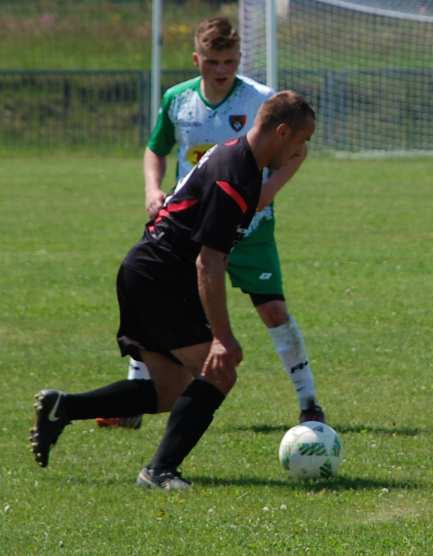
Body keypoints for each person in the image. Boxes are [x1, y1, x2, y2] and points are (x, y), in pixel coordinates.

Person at [29, 91, 316, 490]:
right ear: (283, 132)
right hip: (160, 279)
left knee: (168, 391)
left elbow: (239, 218)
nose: (302, 149)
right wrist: (221, 337)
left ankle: (65, 407)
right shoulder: (234, 174)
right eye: (302, 141)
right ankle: (158, 471)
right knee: (220, 372)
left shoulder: (239, 160)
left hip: (147, 273)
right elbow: (208, 263)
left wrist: (290, 169)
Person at [97, 17, 324, 429]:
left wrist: (263, 197)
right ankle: (134, 402)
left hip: (250, 227)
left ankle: (309, 402)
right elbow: (156, 149)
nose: (222, 70)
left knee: (273, 310)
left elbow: (295, 154)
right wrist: (152, 190)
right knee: (164, 307)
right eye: (214, 62)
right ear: (197, 58)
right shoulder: (177, 98)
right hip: (192, 227)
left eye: (230, 62)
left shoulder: (262, 99)